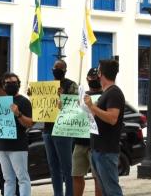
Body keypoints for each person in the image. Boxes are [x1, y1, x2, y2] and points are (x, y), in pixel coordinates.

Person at [84, 60, 125, 196]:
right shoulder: (106, 93)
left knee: (112, 190)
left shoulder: (114, 93)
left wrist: (92, 106)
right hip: (98, 149)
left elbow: (112, 118)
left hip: (106, 151)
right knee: (105, 190)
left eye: (98, 70)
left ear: (101, 74)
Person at [43, 60, 78, 196]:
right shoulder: (48, 86)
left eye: (59, 67)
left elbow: (74, 107)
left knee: (67, 168)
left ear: (65, 70)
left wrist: (62, 96)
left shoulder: (71, 85)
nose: (56, 69)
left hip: (63, 130)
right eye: (54, 67)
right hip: (48, 130)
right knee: (53, 168)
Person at [0, 72, 34, 196]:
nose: (11, 85)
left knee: (22, 178)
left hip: (18, 146)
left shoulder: (24, 101)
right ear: (3, 86)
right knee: (8, 179)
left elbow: (30, 123)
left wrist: (18, 114)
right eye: (8, 83)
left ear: (18, 84)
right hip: (2, 146)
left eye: (14, 82)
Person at [72, 68, 103, 196]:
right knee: (76, 174)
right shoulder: (81, 96)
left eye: (96, 78)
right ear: (87, 79)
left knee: (98, 177)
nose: (94, 81)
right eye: (92, 78)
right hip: (80, 141)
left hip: (96, 143)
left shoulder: (105, 96)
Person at [0, 77, 19, 196]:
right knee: (3, 173)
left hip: (13, 144)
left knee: (15, 174)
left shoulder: (11, 101)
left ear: (2, 88)